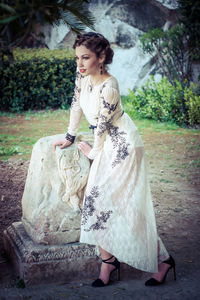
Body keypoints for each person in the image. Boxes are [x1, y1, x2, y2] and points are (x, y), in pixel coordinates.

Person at [53, 32, 176, 287]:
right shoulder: (82, 76)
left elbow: (103, 127)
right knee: (96, 204)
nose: (80, 64)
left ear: (101, 57)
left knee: (125, 205)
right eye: (77, 58)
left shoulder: (110, 85)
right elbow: (76, 104)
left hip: (123, 146)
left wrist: (94, 154)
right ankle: (108, 261)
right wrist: (70, 136)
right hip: (107, 144)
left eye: (85, 57)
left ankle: (163, 259)